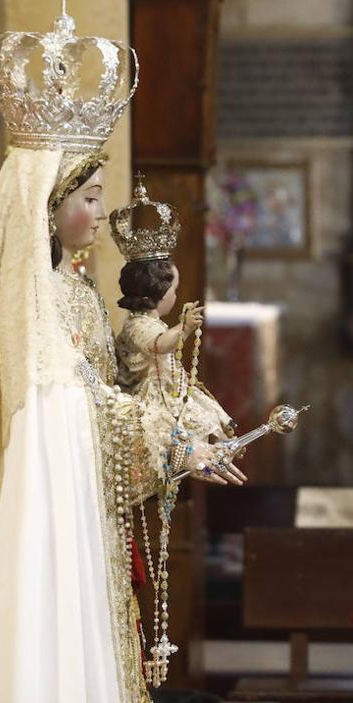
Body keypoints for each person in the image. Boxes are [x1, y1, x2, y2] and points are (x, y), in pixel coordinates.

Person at [0, 0, 241, 703]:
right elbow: (62, 408)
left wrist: (166, 387)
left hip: (84, 506)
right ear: (47, 208)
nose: (98, 210)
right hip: (47, 507)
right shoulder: (31, 293)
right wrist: (174, 441)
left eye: (97, 194)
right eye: (86, 196)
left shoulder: (75, 286)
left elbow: (106, 385)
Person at [112, 177, 238, 481]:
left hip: (168, 385)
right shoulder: (138, 325)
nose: (176, 295)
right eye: (174, 289)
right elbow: (158, 344)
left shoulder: (151, 320)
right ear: (157, 289)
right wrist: (182, 329)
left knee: (201, 410)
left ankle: (217, 444)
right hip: (149, 395)